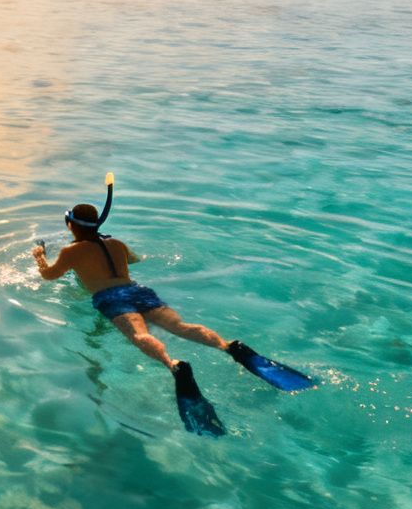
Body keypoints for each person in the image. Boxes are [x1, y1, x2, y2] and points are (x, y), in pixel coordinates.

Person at [34, 173, 315, 437]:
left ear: (71, 225)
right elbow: (135, 260)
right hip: (137, 290)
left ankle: (173, 365)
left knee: (140, 335)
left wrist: (39, 256)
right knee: (180, 326)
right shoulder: (116, 243)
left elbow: (48, 276)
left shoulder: (72, 251)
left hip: (111, 298)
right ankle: (229, 346)